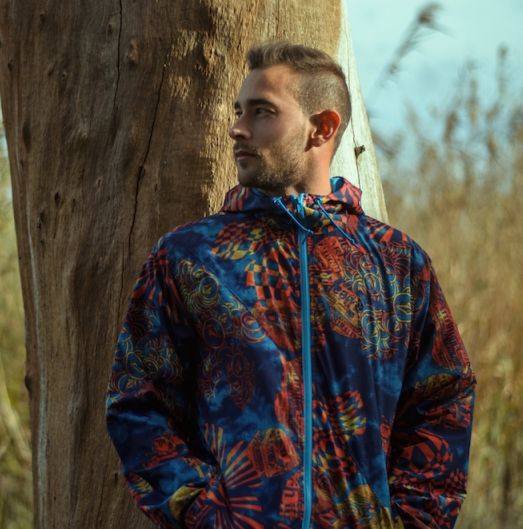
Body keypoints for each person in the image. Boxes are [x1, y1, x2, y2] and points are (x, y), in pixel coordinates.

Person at [105, 40, 475, 529]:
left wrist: (410, 521)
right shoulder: (188, 257)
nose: (237, 128)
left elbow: (443, 398)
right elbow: (138, 401)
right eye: (239, 111)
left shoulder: (397, 262)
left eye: (261, 112)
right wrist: (204, 514)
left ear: (322, 128)